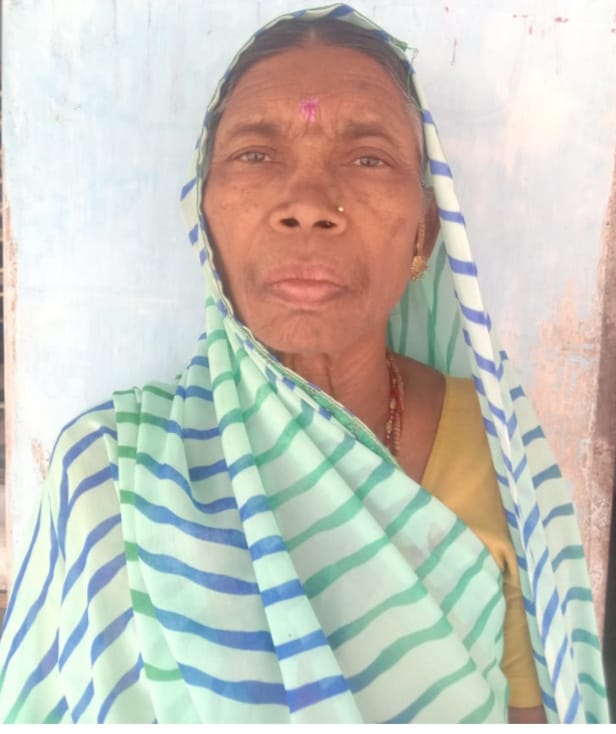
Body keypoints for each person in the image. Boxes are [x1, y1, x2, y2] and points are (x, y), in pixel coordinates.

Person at [0, 3, 608, 724]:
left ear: (424, 232)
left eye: (368, 157)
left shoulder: (499, 447)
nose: (309, 205)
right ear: (205, 218)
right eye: (256, 155)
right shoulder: (111, 475)